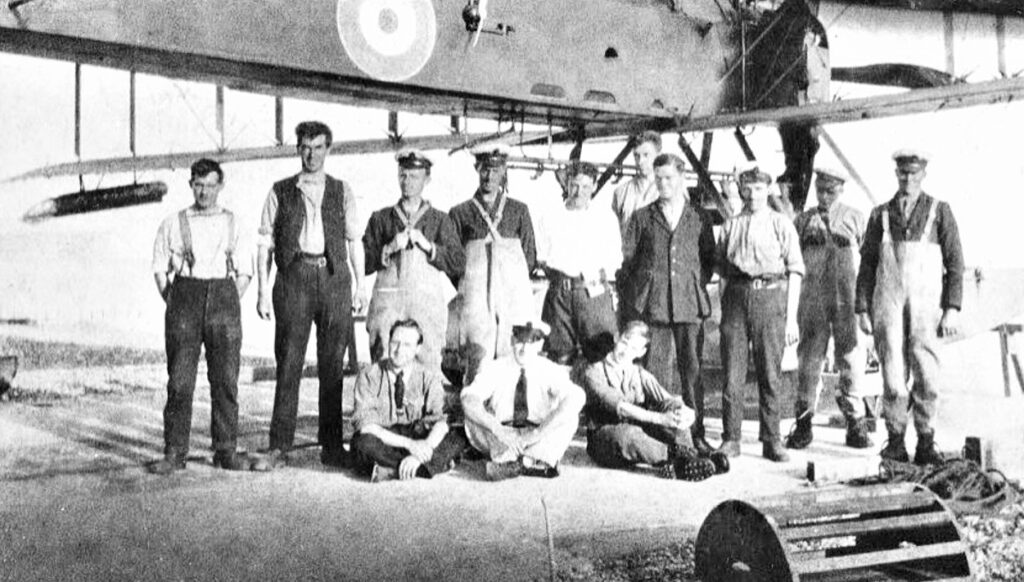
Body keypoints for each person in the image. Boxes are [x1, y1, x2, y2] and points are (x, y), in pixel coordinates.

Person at [253, 121, 367, 471]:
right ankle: (279, 448)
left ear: (328, 150)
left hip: (334, 279)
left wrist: (360, 286)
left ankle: (332, 447)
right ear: (297, 149)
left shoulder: (342, 190)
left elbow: (354, 241)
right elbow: (263, 244)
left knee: (333, 365)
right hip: (294, 278)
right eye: (305, 146)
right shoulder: (280, 190)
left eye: (318, 147)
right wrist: (261, 290)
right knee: (289, 362)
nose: (311, 153)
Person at [856, 150, 964, 466]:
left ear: (923, 176)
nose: (908, 179)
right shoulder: (880, 214)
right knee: (892, 372)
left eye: (914, 174)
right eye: (903, 174)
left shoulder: (939, 211)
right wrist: (862, 307)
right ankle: (895, 440)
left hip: (925, 303)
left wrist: (952, 307)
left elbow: (955, 263)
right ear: (896, 175)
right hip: (888, 302)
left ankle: (927, 440)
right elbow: (867, 264)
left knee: (927, 371)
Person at [149, 158, 252, 473]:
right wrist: (176, 301)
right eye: (198, 185)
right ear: (191, 185)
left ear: (220, 186)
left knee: (225, 381)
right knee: (179, 382)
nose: (204, 191)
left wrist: (228, 300)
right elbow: (159, 270)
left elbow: (245, 273)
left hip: (223, 299)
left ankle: (225, 450)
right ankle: (175, 452)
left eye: (210, 185)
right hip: (184, 300)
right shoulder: (172, 222)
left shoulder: (234, 222)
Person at [619, 153, 716, 454]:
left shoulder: (700, 216)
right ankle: (659, 435)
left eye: (669, 178)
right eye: (658, 178)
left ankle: (695, 433)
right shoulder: (641, 217)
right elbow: (629, 262)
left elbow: (708, 261)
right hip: (654, 304)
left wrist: (689, 284)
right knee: (655, 372)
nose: (663, 184)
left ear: (681, 178)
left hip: (689, 303)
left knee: (692, 371)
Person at [716, 166, 804, 463]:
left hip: (770, 297)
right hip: (736, 299)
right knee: (732, 373)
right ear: (741, 190)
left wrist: (791, 319)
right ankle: (731, 438)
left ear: (768, 191)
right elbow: (723, 273)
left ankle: (772, 439)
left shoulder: (781, 224)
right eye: (748, 188)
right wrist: (724, 313)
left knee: (770, 373)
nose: (753, 194)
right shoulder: (731, 225)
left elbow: (795, 271)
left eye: (758, 188)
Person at [786, 167, 872, 450]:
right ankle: (804, 421)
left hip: (846, 301)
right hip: (813, 302)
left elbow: (870, 261)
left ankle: (855, 422)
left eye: (830, 191)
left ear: (841, 191)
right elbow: (792, 260)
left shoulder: (855, 218)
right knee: (809, 360)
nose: (824, 196)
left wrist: (864, 304)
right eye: (820, 190)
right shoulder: (803, 220)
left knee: (851, 358)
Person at [581, 321, 724, 481]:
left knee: (672, 407)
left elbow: (667, 399)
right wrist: (661, 419)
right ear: (616, 338)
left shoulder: (639, 372)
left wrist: (683, 411)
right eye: (624, 343)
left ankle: (688, 455)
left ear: (641, 352)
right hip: (606, 439)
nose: (625, 351)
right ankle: (679, 461)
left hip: (639, 434)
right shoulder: (594, 372)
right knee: (628, 435)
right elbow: (622, 408)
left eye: (633, 348)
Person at [363, 150, 464, 371]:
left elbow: (458, 262)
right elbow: (363, 262)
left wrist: (429, 247)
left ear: (427, 179)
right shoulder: (381, 219)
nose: (407, 182)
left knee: (427, 359)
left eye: (414, 176)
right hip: (387, 304)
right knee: (383, 357)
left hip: (425, 304)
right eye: (403, 175)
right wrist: (389, 248)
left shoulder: (440, 220)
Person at [448, 144, 537, 383]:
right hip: (475, 296)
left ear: (503, 171)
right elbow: (453, 262)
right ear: (477, 169)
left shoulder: (518, 210)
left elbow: (529, 255)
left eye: (495, 170)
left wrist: (508, 280)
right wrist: (470, 285)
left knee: (512, 346)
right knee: (477, 350)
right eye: (484, 169)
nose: (489, 176)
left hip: (511, 294)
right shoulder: (460, 213)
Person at [460, 320, 585, 480]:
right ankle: (533, 461)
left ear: (540, 345)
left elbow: (576, 396)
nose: (524, 349)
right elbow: (469, 398)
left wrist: (537, 433)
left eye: (531, 342)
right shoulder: (495, 367)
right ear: (512, 340)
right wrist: (498, 429)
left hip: (537, 433)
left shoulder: (549, 369)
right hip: (502, 433)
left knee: (570, 418)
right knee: (471, 417)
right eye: (520, 341)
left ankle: (512, 462)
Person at [350, 319, 467, 482]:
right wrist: (410, 445)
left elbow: (441, 420)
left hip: (418, 435)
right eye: (395, 343)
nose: (399, 350)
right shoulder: (369, 375)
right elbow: (366, 426)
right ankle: (427, 468)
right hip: (387, 439)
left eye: (407, 345)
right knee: (361, 444)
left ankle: (392, 470)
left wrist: (421, 452)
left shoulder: (428, 377)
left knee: (458, 436)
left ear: (418, 348)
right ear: (388, 342)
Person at [536, 162, 621, 365]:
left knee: (600, 353)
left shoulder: (604, 217)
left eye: (585, 186)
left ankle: (599, 395)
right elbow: (541, 257)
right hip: (560, 293)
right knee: (559, 355)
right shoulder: (550, 216)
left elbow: (615, 258)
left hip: (593, 291)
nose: (579, 192)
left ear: (593, 187)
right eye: (574, 185)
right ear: (566, 184)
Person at [611, 131, 661, 238]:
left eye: (646, 155)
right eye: (636, 156)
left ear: (658, 156)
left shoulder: (671, 192)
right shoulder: (621, 193)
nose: (640, 161)